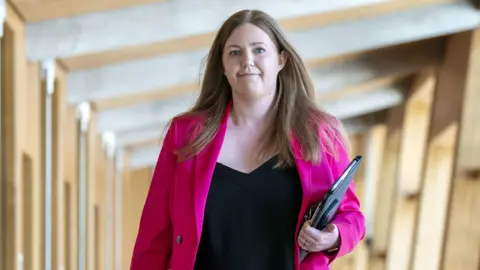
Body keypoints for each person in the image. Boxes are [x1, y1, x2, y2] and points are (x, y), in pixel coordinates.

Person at [130, 9, 365, 270]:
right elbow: (154, 235)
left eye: (259, 50)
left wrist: (333, 236)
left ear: (281, 60)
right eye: (235, 52)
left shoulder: (319, 132)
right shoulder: (185, 134)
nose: (247, 61)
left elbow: (351, 216)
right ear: (222, 66)